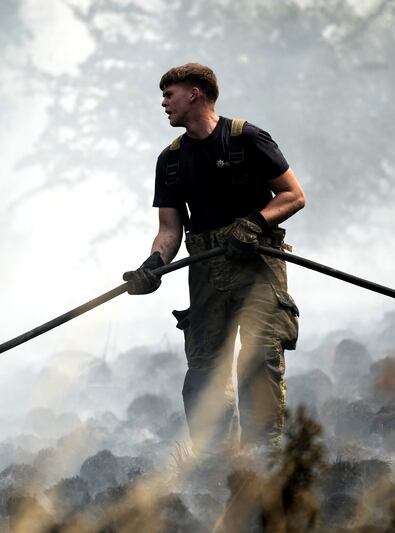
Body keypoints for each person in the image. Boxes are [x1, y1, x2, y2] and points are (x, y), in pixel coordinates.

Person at [124, 63, 305, 458]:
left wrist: (253, 224)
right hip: (205, 269)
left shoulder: (247, 138)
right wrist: (152, 265)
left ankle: (262, 458)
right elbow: (170, 229)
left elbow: (293, 195)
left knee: (259, 356)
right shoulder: (170, 160)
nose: (163, 102)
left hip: (258, 264)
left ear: (195, 93)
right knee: (204, 368)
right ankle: (213, 462)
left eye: (169, 94)